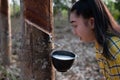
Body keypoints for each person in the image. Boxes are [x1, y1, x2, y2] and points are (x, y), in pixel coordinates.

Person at [69, 0, 120, 80]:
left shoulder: (114, 49)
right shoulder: (100, 45)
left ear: (92, 22)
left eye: (75, 25)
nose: (74, 32)